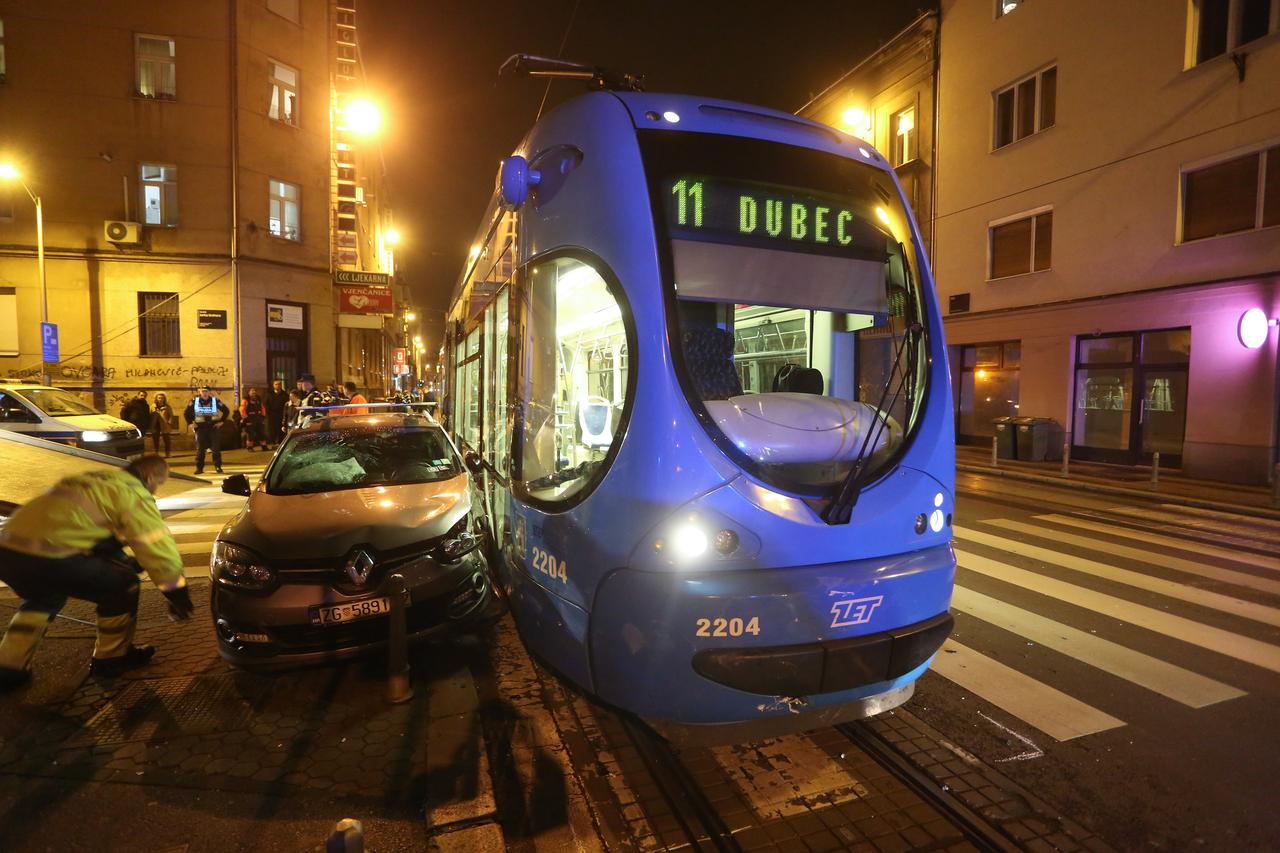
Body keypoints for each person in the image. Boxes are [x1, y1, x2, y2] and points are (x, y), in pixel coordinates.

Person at [0, 455, 194, 690]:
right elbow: (157, 548)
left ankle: (9, 666)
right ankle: (111, 658)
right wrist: (176, 593)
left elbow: (80, 529)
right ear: (150, 476)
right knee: (123, 585)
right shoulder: (133, 493)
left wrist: (123, 560)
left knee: (44, 597)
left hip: (8, 552)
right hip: (51, 556)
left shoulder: (92, 481)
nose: (155, 489)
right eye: (159, 483)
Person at [183, 386, 230, 475]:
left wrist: (222, 421)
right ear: (200, 392)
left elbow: (226, 411)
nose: (204, 393)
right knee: (200, 449)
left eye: (206, 391)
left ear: (209, 392)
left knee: (215, 448)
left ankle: (218, 467)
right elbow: (186, 413)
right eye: (203, 391)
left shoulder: (215, 401)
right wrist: (190, 423)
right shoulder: (194, 401)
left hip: (213, 427)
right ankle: (199, 468)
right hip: (200, 428)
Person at [150, 392, 177, 457]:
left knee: (167, 440)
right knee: (155, 440)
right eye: (159, 398)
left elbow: (171, 415)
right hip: (155, 425)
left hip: (165, 424)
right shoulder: (152, 406)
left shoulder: (167, 407)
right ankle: (156, 453)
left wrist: (169, 423)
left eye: (162, 398)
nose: (160, 399)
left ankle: (167, 453)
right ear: (156, 398)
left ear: (164, 399)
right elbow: (150, 415)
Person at [264, 379, 288, 447]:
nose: (278, 385)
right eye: (276, 384)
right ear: (273, 385)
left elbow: (286, 405)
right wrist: (268, 413)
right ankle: (273, 443)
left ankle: (280, 443)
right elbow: (266, 404)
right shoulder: (269, 394)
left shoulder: (284, 394)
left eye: (279, 384)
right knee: (272, 429)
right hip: (272, 415)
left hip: (281, 414)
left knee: (281, 429)